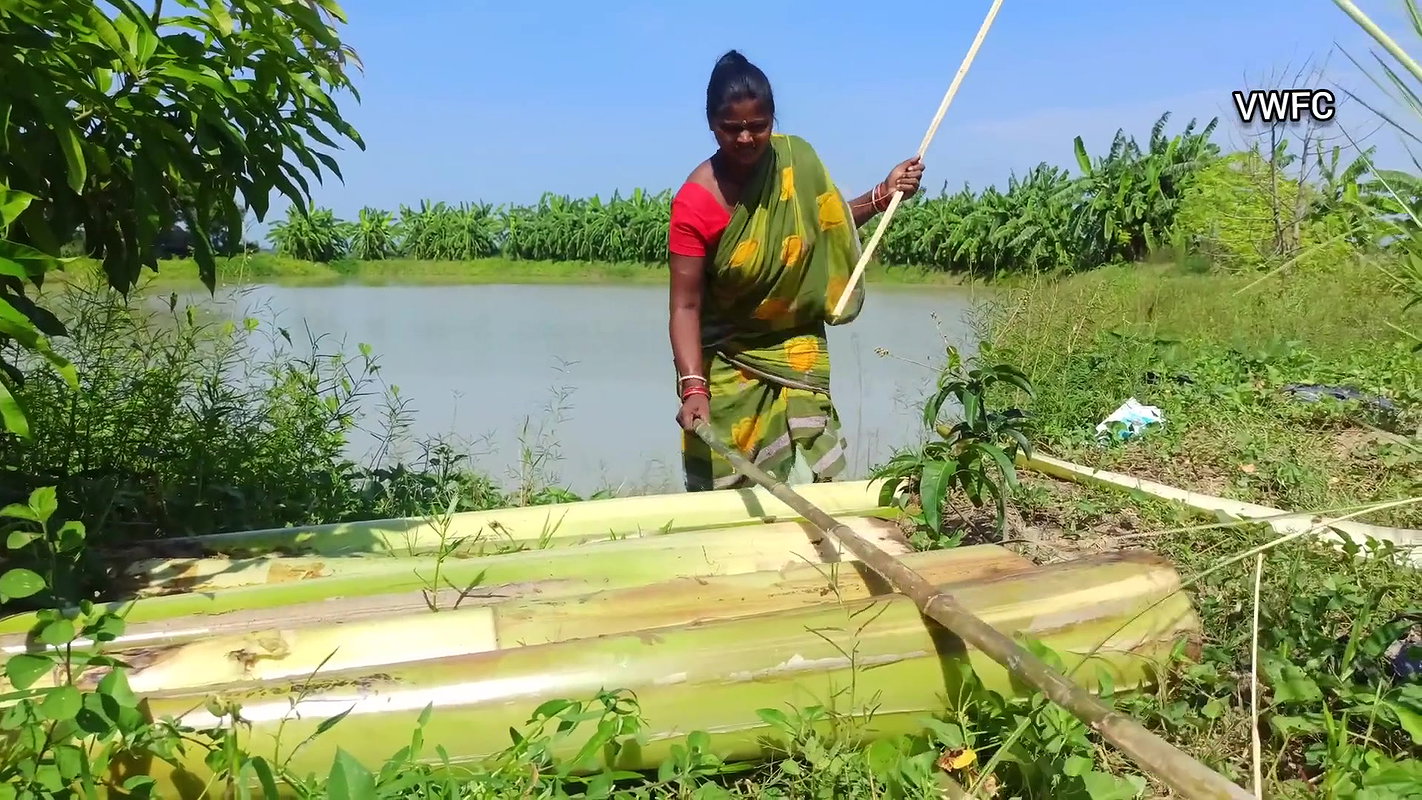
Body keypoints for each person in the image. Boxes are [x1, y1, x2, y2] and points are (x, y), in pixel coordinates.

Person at [668, 49, 925, 492]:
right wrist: (694, 387)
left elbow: (825, 223)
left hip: (796, 349)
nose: (746, 138)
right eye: (732, 128)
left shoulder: (795, 161)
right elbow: (685, 305)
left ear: (773, 120)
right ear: (711, 124)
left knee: (816, 478)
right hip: (729, 360)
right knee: (727, 498)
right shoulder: (694, 204)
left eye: (759, 126)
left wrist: (884, 193)